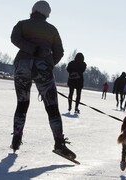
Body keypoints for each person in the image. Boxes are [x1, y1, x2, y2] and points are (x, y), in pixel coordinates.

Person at [10, 0, 75, 158]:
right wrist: (48, 62)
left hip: (22, 66)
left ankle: (16, 139)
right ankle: (59, 143)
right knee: (52, 107)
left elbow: (14, 38)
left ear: (33, 11)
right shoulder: (52, 30)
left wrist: (30, 49)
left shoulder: (22, 24)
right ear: (47, 14)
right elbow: (59, 51)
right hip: (43, 67)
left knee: (22, 103)